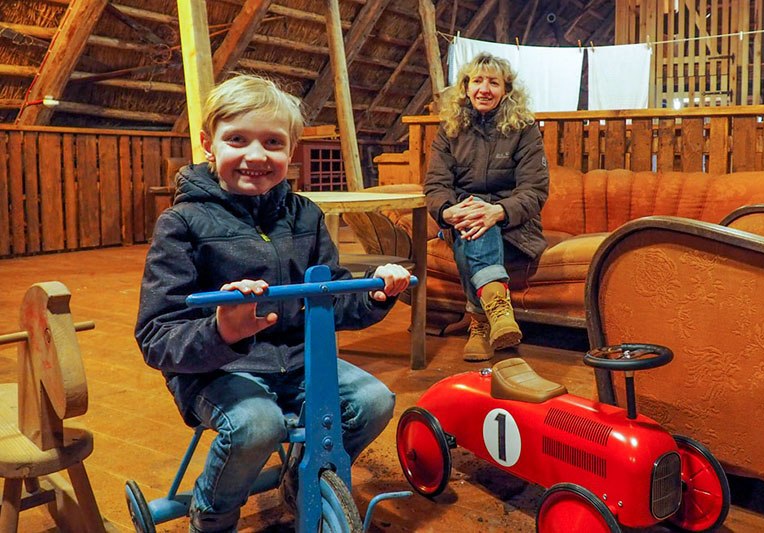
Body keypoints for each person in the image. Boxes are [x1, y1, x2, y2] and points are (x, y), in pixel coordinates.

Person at [134, 74, 411, 533]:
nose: (256, 156)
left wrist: (374, 292)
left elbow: (333, 297)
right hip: (216, 370)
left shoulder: (306, 214)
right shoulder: (181, 223)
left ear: (291, 149)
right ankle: (213, 515)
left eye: (273, 142)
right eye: (237, 139)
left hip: (300, 362)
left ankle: (300, 474)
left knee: (374, 400)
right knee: (257, 424)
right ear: (208, 143)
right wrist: (222, 331)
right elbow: (156, 336)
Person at [424, 53, 549, 362]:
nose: (484, 89)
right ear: (466, 87)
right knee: (475, 220)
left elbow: (534, 190)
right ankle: (497, 311)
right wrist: (448, 212)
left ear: (506, 90)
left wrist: (497, 211)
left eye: (493, 82)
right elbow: (436, 186)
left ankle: (479, 322)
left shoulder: (524, 129)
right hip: (464, 220)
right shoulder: (450, 130)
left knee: (480, 220)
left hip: (514, 226)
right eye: (477, 81)